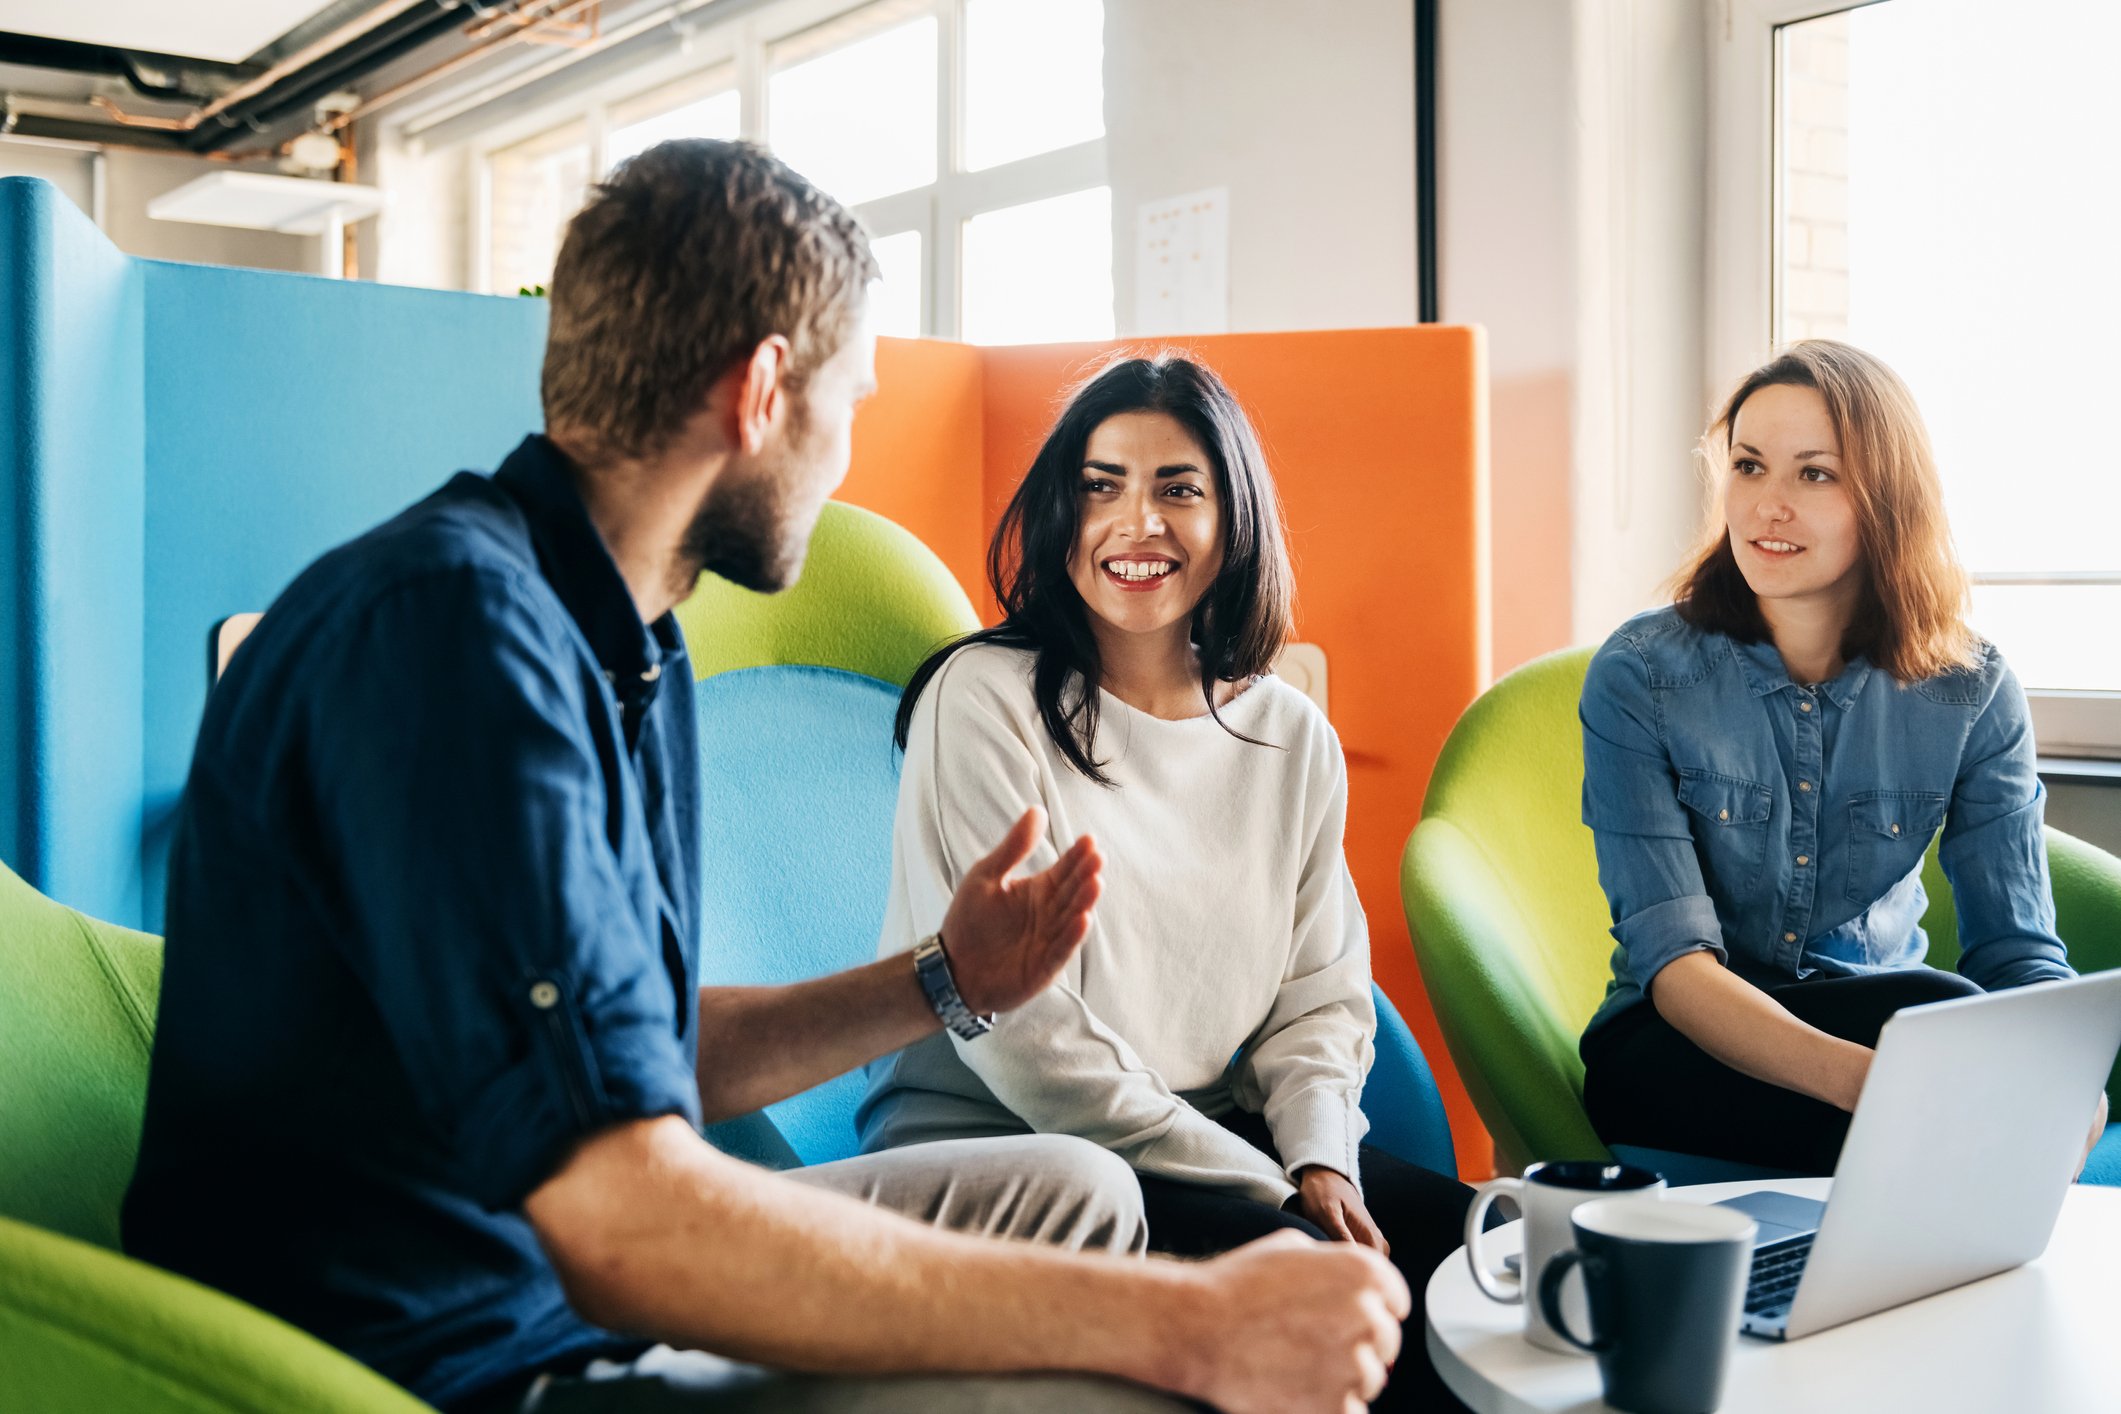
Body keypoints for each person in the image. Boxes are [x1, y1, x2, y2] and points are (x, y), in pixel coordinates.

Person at [121, 141, 1408, 1414]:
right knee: (1134, 1385)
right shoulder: (456, 640)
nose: (846, 452)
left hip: (560, 1269)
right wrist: (1189, 1328)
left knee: (1071, 1193)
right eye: (847, 404)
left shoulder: (628, 644)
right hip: (461, 1347)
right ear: (761, 391)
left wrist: (941, 981)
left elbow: (635, 1056)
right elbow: (624, 1225)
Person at [857, 353, 1476, 1411]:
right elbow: (1026, 1038)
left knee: (1489, 1266)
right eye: (1100, 486)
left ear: (1236, 520)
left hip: (1205, 1133)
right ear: (1060, 512)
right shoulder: (983, 700)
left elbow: (1319, 998)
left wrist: (1320, 1158)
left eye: (1177, 488)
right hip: (1013, 1146)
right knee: (1349, 1313)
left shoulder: (1290, 735)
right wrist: (1270, 1190)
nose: (1133, 523)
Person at [1577, 339, 2108, 1178]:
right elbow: (1674, 968)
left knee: (1946, 1018)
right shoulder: (1640, 675)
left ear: (1887, 499)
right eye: (1748, 467)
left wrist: (2066, 1079)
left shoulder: (1969, 689)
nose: (1765, 506)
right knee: (1939, 1027)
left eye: (1812, 474)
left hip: (1884, 1021)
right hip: (1680, 1047)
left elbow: (2016, 950)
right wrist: (1877, 1087)